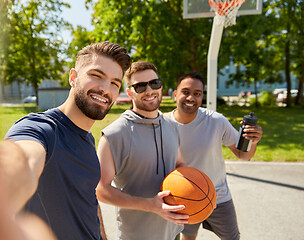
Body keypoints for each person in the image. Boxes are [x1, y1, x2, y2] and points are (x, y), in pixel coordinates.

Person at [2, 42, 131, 240]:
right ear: (73, 77)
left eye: (115, 83)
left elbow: (87, 200)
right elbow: (23, 160)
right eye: (96, 76)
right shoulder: (41, 129)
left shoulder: (87, 138)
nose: (106, 89)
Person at [96, 61, 189, 240]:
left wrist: (200, 188)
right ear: (129, 92)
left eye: (154, 83)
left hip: (173, 232)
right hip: (137, 234)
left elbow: (179, 163)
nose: (149, 90)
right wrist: (150, 205)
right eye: (140, 86)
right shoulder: (114, 134)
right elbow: (101, 189)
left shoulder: (171, 125)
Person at [167, 72, 263, 240]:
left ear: (202, 96)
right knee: (188, 238)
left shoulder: (217, 121)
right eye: (186, 92)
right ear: (175, 94)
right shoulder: (163, 124)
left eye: (197, 94)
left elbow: (243, 155)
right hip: (182, 197)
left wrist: (253, 142)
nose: (191, 97)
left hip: (218, 196)